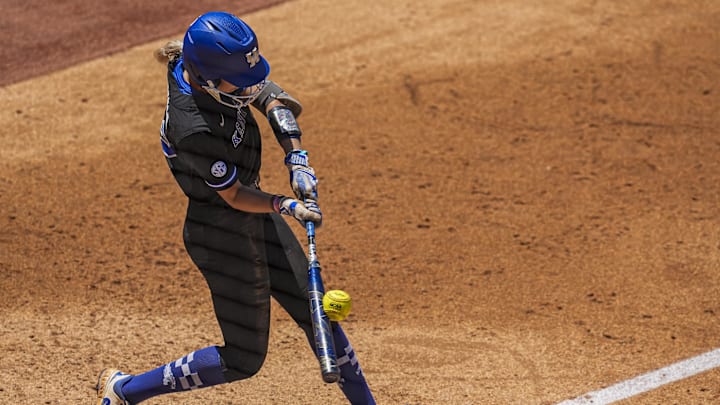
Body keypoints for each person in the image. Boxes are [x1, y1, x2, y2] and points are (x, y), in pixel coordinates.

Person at [96, 11, 375, 405]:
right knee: (244, 358)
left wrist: (297, 157)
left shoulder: (203, 68)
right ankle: (124, 391)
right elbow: (235, 196)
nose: (251, 88)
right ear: (208, 81)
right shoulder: (191, 127)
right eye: (240, 83)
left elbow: (269, 96)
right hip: (221, 235)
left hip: (255, 215)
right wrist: (286, 204)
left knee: (319, 318)